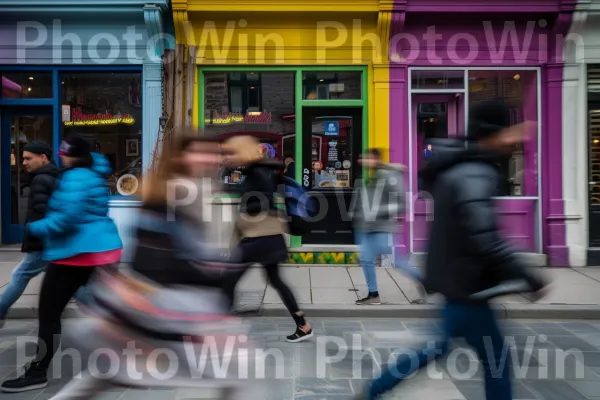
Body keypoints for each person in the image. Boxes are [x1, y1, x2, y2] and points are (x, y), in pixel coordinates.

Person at [356, 99, 549, 400]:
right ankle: (375, 389)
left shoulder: (460, 166)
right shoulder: (475, 172)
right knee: (493, 360)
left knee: (442, 347)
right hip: (468, 286)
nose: (516, 140)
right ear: (493, 132)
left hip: (459, 283)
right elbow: (484, 235)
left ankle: (375, 389)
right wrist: (530, 277)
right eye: (510, 132)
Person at [1, 136, 123, 393]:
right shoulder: (94, 173)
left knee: (48, 313)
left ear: (71, 154)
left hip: (75, 253)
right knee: (94, 305)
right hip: (96, 250)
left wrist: (36, 227)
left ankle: (38, 372)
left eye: (64, 153)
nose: (61, 157)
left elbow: (68, 217)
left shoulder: (77, 177)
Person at [224, 135, 313, 343]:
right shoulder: (264, 169)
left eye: (232, 153)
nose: (229, 158)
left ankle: (220, 326)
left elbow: (262, 201)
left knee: (227, 279)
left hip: (257, 237)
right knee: (276, 281)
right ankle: (303, 325)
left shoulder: (257, 171)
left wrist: (245, 209)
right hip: (269, 237)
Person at [351, 148, 425, 305]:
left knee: (397, 261)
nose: (363, 160)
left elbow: (401, 204)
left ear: (376, 159)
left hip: (382, 227)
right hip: (366, 227)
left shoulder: (389, 175)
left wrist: (376, 211)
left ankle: (428, 282)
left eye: (367, 158)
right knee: (366, 259)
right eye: (363, 157)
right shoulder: (371, 176)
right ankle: (373, 295)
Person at [0, 141, 59, 327]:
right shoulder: (51, 176)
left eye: (28, 158)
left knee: (20, 274)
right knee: (68, 280)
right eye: (23, 158)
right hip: (53, 241)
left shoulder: (42, 179)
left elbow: (42, 213)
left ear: (43, 158)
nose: (23, 162)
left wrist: (35, 236)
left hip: (44, 243)